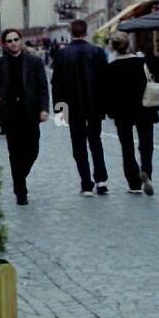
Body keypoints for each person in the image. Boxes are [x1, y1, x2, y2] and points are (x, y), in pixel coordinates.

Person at [51, 18, 110, 196]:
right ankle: (101, 180)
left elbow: (57, 84)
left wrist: (59, 110)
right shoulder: (97, 52)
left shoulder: (62, 54)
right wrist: (105, 105)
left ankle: (86, 183)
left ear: (70, 33)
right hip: (94, 105)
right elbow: (104, 81)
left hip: (72, 106)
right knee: (96, 141)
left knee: (78, 145)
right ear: (86, 32)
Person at [0, 29, 49, 205]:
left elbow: (43, 87)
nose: (13, 43)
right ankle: (20, 190)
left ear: (21, 41)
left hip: (30, 112)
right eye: (9, 41)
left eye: (16, 39)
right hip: (11, 114)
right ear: (4, 44)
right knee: (15, 153)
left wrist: (44, 108)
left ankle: (20, 175)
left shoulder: (34, 62)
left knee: (33, 150)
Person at [104, 31, 159, 196]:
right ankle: (147, 172)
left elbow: (107, 93)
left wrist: (110, 111)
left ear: (113, 48)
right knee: (146, 144)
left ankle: (134, 182)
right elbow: (153, 79)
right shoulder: (142, 62)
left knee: (126, 146)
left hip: (122, 111)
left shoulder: (111, 68)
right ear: (129, 45)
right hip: (145, 106)